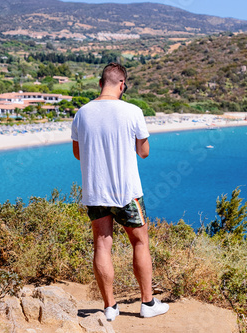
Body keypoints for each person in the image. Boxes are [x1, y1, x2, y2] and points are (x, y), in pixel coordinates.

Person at [71, 63, 169, 321]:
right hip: (127, 193)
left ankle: (109, 307)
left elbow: (78, 153)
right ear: (122, 84)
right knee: (140, 242)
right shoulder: (133, 111)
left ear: (100, 83)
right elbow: (144, 152)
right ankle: (147, 303)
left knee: (102, 246)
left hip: (95, 191)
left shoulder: (82, 113)